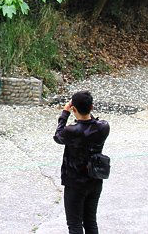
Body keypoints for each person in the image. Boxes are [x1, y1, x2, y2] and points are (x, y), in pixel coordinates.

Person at [53, 90, 110, 234]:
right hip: (95, 179)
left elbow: (58, 136)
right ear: (92, 107)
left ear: (73, 108)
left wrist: (64, 114)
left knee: (75, 224)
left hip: (75, 182)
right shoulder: (103, 127)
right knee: (90, 221)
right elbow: (93, 122)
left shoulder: (71, 131)